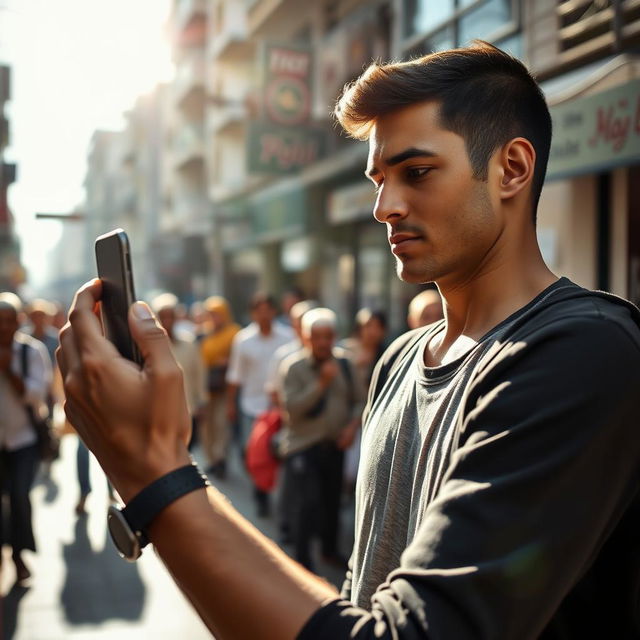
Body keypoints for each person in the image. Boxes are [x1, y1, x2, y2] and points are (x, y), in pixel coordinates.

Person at [56, 41, 640, 639]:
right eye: (379, 179)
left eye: (417, 172)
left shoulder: (584, 353)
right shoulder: (401, 358)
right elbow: (366, 591)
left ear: (512, 168)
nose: (384, 206)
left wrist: (158, 477)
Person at [278, 308, 363, 571]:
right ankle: (302, 561)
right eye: (317, 337)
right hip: (304, 446)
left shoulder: (346, 364)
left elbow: (361, 400)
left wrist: (351, 428)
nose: (324, 342)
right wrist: (322, 384)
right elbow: (293, 409)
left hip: (335, 445)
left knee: (332, 502)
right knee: (307, 504)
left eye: (328, 336)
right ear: (305, 338)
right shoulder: (293, 367)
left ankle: (329, 550)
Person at [0, 292, 52, 582]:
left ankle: (19, 555)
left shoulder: (30, 352)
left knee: (20, 496)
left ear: (18, 322)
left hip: (24, 440)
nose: (4, 328)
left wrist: (9, 370)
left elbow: (36, 397)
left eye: (9, 321)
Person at [226, 292, 292, 516]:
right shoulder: (243, 340)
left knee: (279, 453)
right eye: (259, 310)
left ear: (274, 311)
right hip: (251, 407)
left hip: (281, 408)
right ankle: (260, 494)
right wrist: (231, 405)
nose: (263, 314)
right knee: (251, 452)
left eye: (267, 309)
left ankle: (280, 499)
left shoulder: (288, 337)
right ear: (252, 313)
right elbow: (235, 376)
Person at [151, 293, 207, 453]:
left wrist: (202, 401)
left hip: (189, 408)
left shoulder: (189, 343)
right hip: (164, 411)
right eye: (164, 316)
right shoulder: (152, 346)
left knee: (188, 449)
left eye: (171, 316)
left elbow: (199, 374)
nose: (167, 320)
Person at [199, 295, 241, 478]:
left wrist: (228, 361)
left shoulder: (234, 333)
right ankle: (212, 460)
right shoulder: (203, 333)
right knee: (207, 427)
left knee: (222, 424)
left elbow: (240, 359)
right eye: (211, 314)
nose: (214, 318)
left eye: (217, 314)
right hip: (207, 387)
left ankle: (220, 459)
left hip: (225, 387)